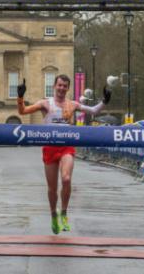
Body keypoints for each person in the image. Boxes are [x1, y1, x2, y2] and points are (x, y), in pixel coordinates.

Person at [17, 76, 110, 234]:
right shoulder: (45, 103)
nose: (61, 88)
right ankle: (54, 214)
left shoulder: (72, 104)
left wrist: (105, 100)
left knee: (66, 178)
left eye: (65, 86)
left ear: (68, 88)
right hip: (50, 148)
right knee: (52, 188)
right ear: (54, 86)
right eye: (59, 85)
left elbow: (93, 110)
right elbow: (23, 111)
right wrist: (20, 97)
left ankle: (64, 213)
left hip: (66, 146)